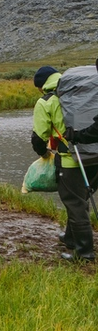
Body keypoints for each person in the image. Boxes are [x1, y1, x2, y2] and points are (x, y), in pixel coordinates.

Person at [32, 65, 97, 261]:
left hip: (72, 160)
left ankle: (84, 253)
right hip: (95, 156)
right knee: (82, 197)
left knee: (74, 202)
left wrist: (43, 153)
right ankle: (70, 238)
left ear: (41, 86)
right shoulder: (84, 90)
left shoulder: (47, 102)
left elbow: (38, 138)